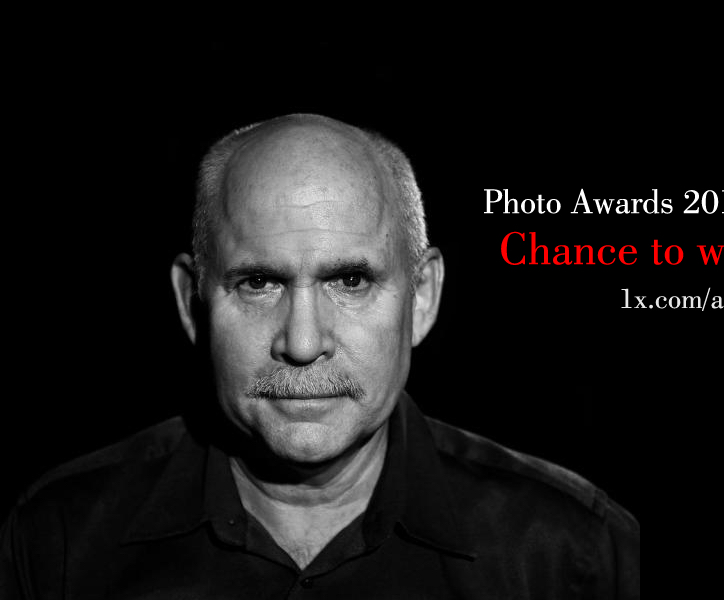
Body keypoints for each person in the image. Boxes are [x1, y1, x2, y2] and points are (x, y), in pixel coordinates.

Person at [0, 114, 639, 598]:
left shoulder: (573, 554)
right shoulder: (59, 540)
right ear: (191, 303)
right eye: (258, 283)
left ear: (421, 297)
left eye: (350, 281)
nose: (303, 344)